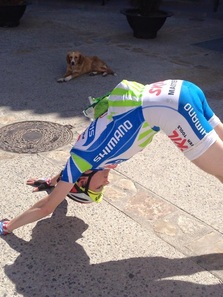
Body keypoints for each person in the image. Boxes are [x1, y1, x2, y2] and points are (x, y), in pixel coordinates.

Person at [1, 78, 223, 235]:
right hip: (179, 87)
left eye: (98, 188)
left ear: (81, 181)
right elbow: (68, 173)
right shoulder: (79, 159)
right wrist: (51, 182)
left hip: (173, 108)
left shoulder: (83, 163)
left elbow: (47, 207)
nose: (107, 182)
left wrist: (8, 226)